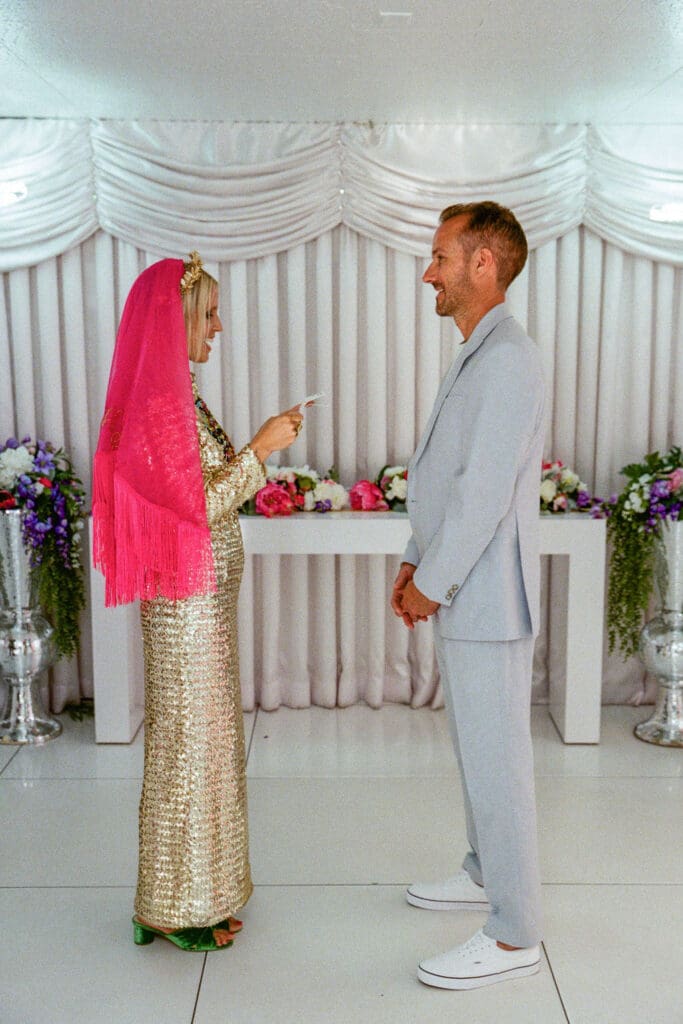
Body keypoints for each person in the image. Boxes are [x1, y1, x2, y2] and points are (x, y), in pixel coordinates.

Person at [93, 252, 303, 952]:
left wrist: (250, 454)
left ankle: (199, 894)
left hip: (203, 603)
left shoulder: (179, 394)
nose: (218, 327)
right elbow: (196, 506)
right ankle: (169, 906)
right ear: (175, 318)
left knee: (207, 747)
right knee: (190, 749)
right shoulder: (158, 404)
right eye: (208, 314)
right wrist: (259, 451)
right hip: (185, 607)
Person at [391, 202, 545, 990]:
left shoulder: (510, 358)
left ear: (483, 263)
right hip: (464, 591)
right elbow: (444, 479)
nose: (429, 272)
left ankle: (516, 935)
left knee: (500, 764)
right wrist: (416, 560)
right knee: (475, 754)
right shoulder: (475, 352)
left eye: (440, 257)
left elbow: (484, 494)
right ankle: (485, 872)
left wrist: (432, 582)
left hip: (486, 597)